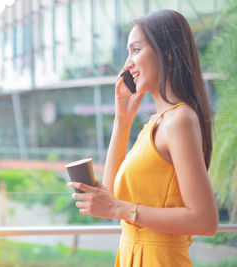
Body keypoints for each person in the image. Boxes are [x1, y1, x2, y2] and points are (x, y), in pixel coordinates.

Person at [67, 9, 219, 266]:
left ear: (167, 54)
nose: (127, 64)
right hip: (132, 255)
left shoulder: (179, 120)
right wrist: (122, 120)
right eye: (128, 52)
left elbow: (205, 220)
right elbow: (113, 193)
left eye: (136, 50)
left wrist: (121, 210)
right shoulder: (155, 123)